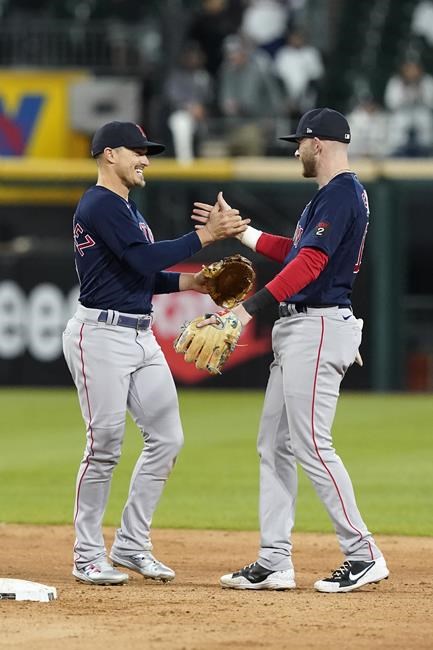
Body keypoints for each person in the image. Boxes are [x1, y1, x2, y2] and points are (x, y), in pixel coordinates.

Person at [192, 108, 390, 593]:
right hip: (309, 328)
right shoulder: (332, 197)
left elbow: (311, 265)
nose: (295, 150)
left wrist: (244, 312)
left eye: (298, 143)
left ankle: (363, 553)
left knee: (311, 445)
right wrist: (243, 233)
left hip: (316, 326)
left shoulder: (341, 194)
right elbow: (295, 250)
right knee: (274, 444)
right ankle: (275, 560)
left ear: (317, 144)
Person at [62, 120, 249, 586]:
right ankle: (87, 554)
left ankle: (130, 542)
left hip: (139, 335)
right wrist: (206, 237)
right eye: (136, 151)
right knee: (104, 445)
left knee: (167, 438)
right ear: (109, 155)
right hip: (99, 337)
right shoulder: (101, 203)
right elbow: (144, 260)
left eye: (147, 152)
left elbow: (139, 274)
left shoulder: (127, 210)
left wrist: (191, 282)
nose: (145, 159)